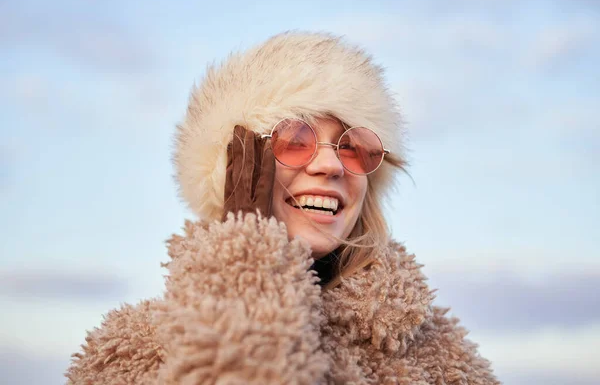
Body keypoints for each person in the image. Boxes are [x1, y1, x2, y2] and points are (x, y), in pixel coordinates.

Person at [66, 31, 499, 384]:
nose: (330, 165)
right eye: (294, 140)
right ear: (236, 167)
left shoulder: (441, 359)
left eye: (354, 147)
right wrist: (246, 266)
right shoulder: (127, 357)